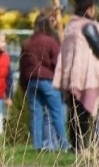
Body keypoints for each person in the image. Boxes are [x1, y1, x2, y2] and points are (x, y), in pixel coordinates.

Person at [55, 0, 99, 151]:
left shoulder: (71, 25)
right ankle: (82, 146)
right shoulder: (88, 26)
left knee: (74, 113)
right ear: (89, 9)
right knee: (84, 113)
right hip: (86, 76)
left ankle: (75, 145)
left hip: (72, 75)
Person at [19, 11, 67, 151]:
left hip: (31, 81)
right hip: (48, 80)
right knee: (56, 113)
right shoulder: (50, 42)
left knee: (36, 115)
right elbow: (58, 64)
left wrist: (23, 85)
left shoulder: (27, 43)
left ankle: (37, 146)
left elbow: (22, 65)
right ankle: (63, 145)